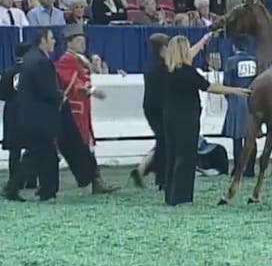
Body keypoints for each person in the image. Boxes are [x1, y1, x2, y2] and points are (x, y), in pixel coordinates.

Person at [163, 36, 251, 206]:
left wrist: (203, 41)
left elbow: (190, 53)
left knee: (173, 154)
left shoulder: (169, 70)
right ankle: (181, 197)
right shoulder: (188, 73)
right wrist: (235, 90)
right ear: (183, 52)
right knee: (186, 156)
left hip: (170, 117)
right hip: (186, 118)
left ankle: (171, 195)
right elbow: (211, 87)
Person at [131, 32, 211, 189]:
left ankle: (146, 170)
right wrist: (202, 43)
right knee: (166, 142)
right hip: (161, 108)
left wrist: (202, 42)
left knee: (163, 141)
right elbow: (186, 59)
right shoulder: (164, 66)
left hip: (153, 107)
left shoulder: (154, 64)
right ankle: (159, 177)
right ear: (163, 48)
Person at [55, 24, 118, 194]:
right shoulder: (66, 60)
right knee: (78, 145)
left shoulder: (80, 59)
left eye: (83, 40)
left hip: (82, 107)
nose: (82, 44)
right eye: (78, 40)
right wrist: (91, 91)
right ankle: (92, 180)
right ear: (69, 42)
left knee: (85, 145)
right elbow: (69, 81)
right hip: (74, 108)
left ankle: (94, 180)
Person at [4, 29, 61, 202]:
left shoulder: (30, 59)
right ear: (43, 40)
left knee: (48, 153)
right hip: (40, 117)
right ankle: (12, 187)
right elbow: (47, 90)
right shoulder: (41, 62)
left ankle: (48, 189)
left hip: (29, 115)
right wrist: (60, 95)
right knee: (35, 154)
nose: (54, 42)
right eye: (51, 39)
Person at [0, 42, 35, 193]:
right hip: (29, 110)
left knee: (14, 150)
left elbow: (2, 94)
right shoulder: (34, 71)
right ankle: (31, 180)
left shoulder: (8, 72)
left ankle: (14, 180)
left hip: (13, 112)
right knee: (32, 146)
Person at [222, 36, 258, 177]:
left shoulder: (231, 61)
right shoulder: (255, 61)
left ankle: (238, 168)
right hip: (252, 100)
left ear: (234, 47)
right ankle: (250, 169)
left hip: (236, 99)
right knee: (251, 136)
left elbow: (227, 83)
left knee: (237, 137)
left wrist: (230, 97)